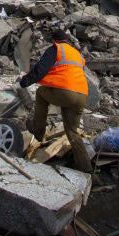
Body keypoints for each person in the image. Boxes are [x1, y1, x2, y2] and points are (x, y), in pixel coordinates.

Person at [19, 29, 92, 173]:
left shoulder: (56, 49)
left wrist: (23, 82)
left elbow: (40, 69)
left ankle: (38, 131)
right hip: (82, 95)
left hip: (66, 93)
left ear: (54, 40)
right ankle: (87, 170)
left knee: (40, 93)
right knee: (72, 132)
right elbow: (70, 72)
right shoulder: (77, 54)